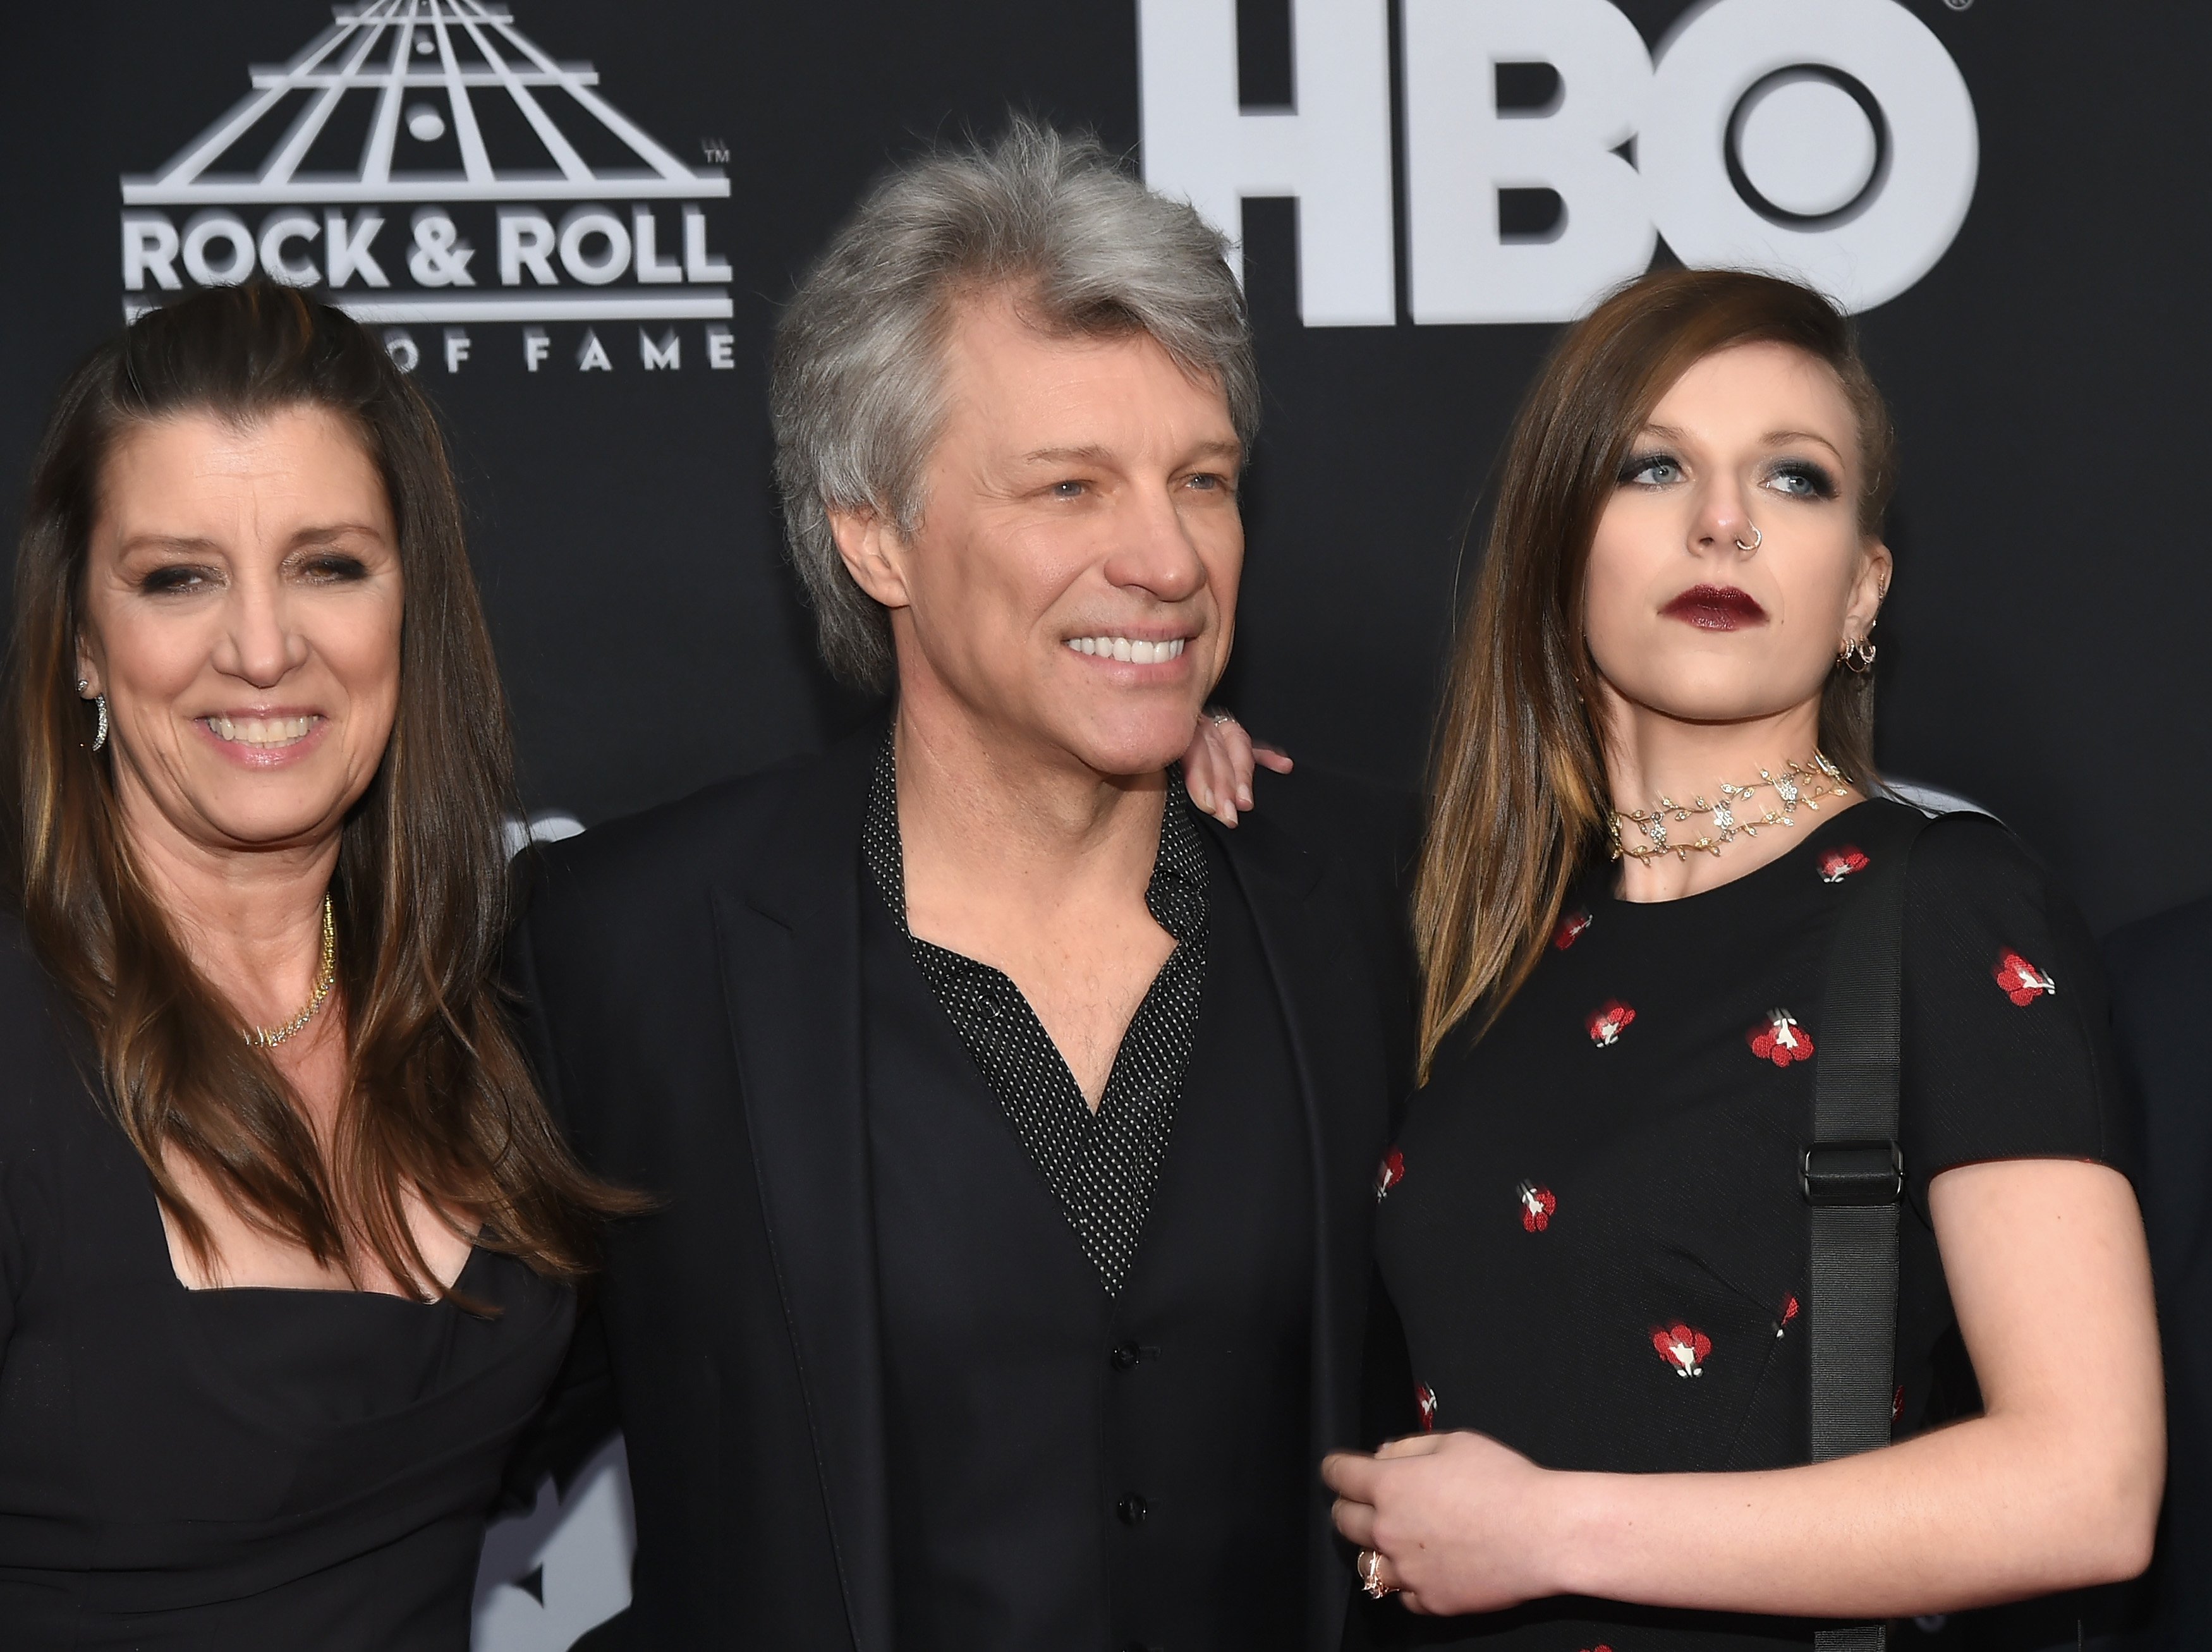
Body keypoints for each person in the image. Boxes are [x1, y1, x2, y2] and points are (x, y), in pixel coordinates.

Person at [509, 119, 1411, 1652]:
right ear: (875, 535)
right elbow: (386, 1450)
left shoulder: (1387, 907)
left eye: (1201, 478)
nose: (1166, 557)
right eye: (1067, 488)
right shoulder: (622, 952)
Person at [1324, 269, 2162, 1648]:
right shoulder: (1494, 941)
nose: (1723, 522)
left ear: (1860, 590)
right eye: (1655, 465)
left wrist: (1546, 1528)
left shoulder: (1946, 905)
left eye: (1793, 479)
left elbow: (2088, 1484)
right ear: (1558, 543)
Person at [0, 282, 636, 1648]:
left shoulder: (500, 1009)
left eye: (328, 564)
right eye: (180, 576)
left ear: (410, 603)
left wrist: (1121, 786)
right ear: (83, 646)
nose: (264, 648)